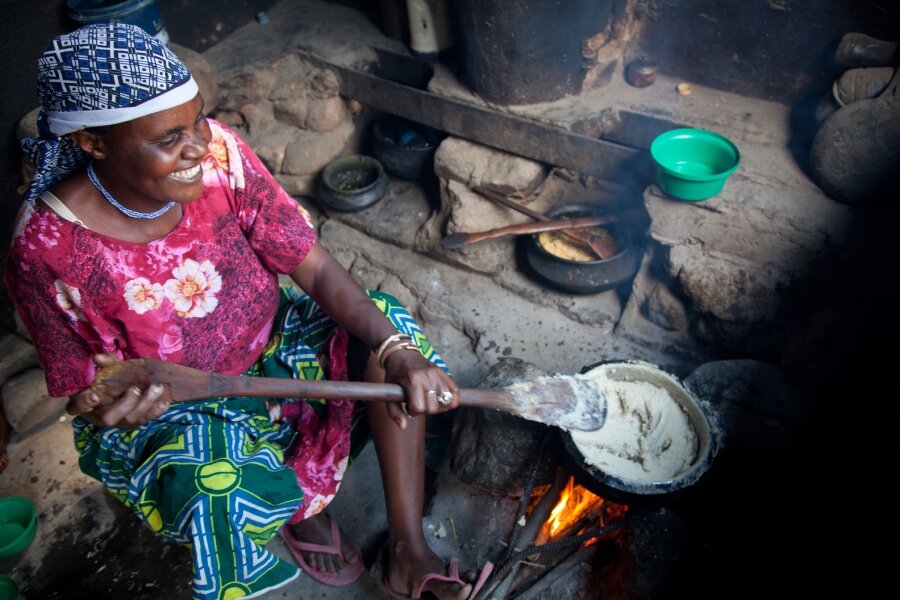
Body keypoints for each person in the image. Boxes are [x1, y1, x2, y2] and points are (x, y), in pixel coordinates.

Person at [5, 23, 491, 600]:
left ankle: (408, 550)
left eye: (198, 121)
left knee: (393, 340)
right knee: (218, 489)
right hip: (183, 408)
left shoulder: (219, 155)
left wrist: (395, 351)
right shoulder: (45, 250)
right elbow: (82, 391)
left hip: (275, 343)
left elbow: (311, 266)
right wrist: (110, 405)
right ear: (94, 143)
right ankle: (298, 510)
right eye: (168, 139)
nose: (197, 147)